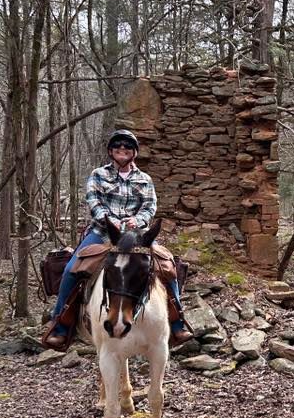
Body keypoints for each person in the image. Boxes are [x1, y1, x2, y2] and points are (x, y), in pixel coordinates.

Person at [43, 129, 193, 349]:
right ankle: (60, 326)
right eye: (118, 148)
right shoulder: (98, 175)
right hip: (103, 233)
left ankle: (177, 323)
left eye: (127, 148)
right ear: (111, 152)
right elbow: (95, 203)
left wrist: (138, 220)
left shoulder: (144, 179)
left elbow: (150, 206)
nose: (122, 151)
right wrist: (115, 223)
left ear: (134, 153)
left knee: (168, 265)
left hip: (137, 236)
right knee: (72, 269)